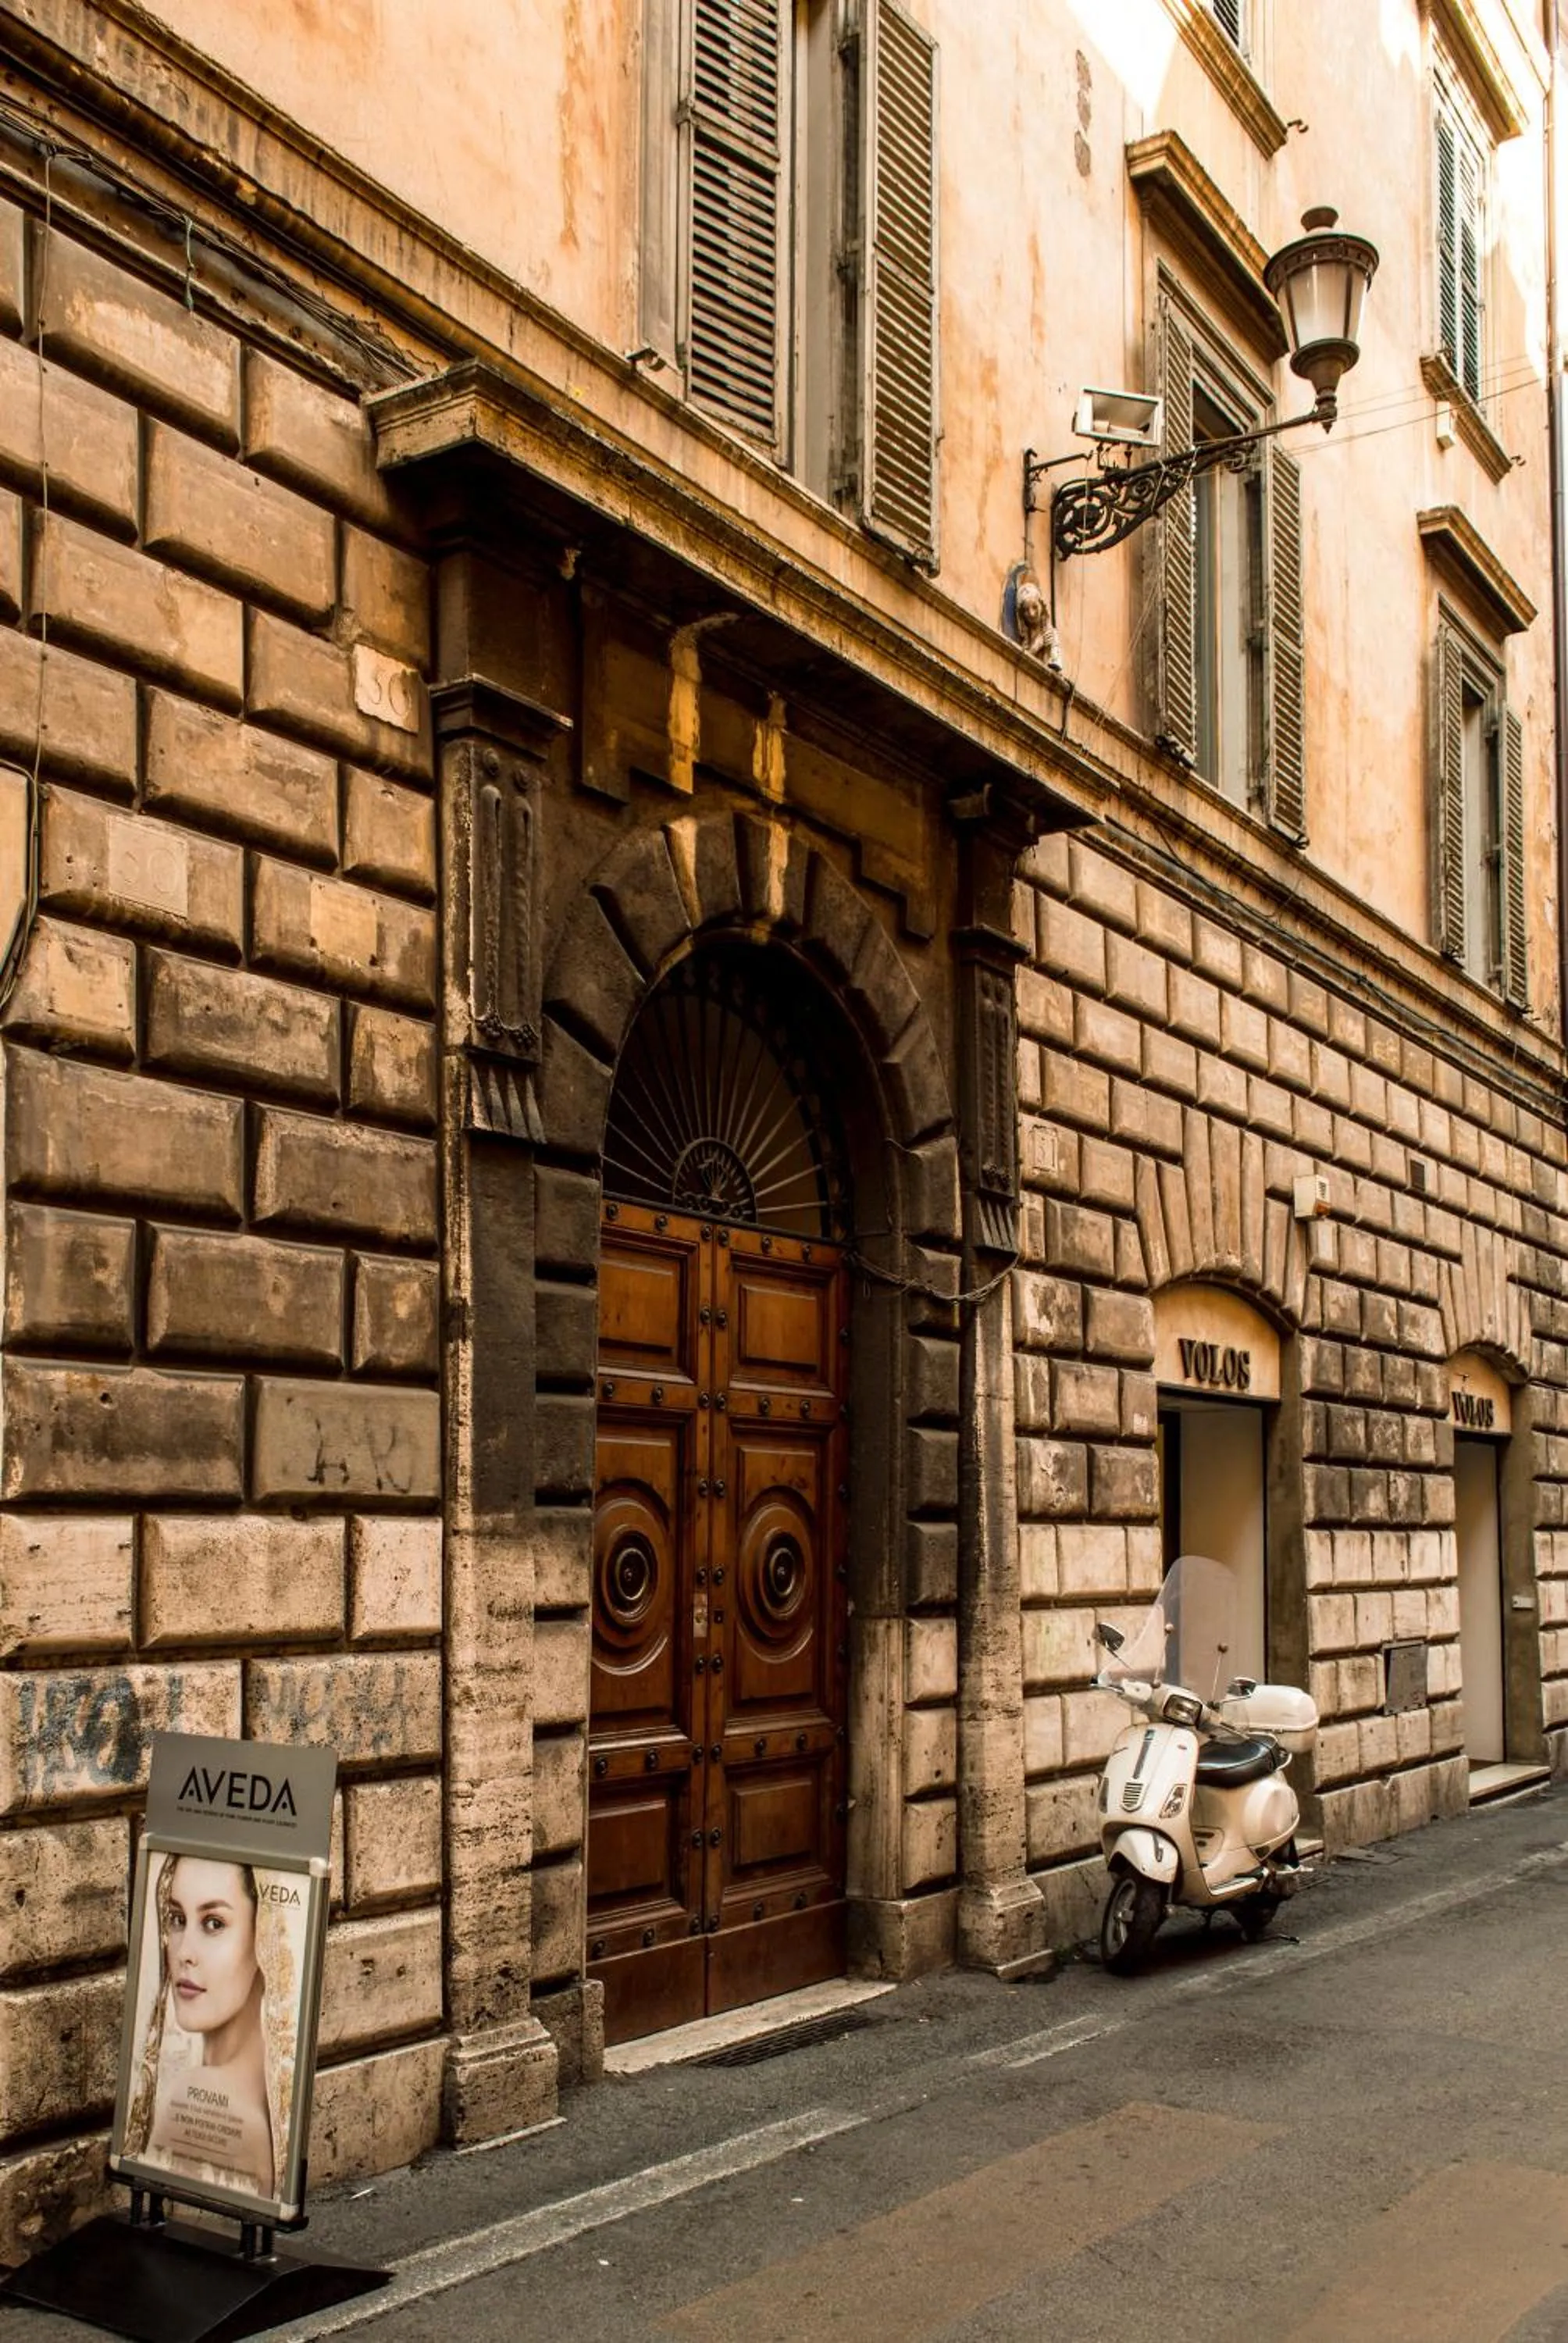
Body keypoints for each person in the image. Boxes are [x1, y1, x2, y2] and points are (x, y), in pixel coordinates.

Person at [122, 1853, 298, 2202]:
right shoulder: (268, 2103)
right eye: (176, 1919)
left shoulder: (195, 2092)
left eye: (214, 1923)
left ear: (263, 1936)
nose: (185, 1952)